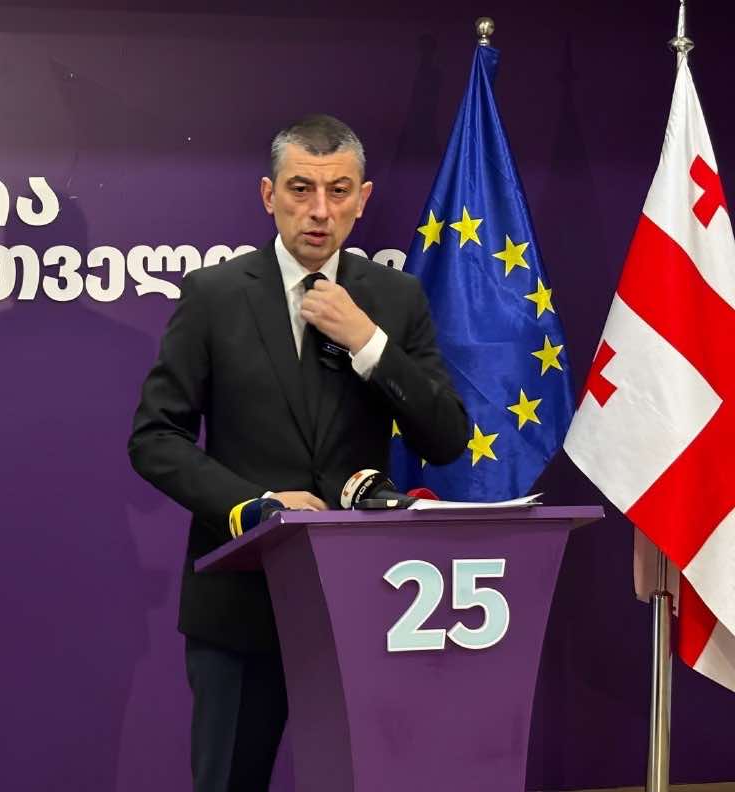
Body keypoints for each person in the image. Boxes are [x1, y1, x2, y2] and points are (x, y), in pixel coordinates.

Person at [127, 114, 469, 791]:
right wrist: (251, 507)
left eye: (338, 191)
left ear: (362, 199)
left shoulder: (394, 299)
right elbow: (155, 436)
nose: (319, 211)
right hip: (239, 603)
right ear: (268, 194)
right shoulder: (214, 295)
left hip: (362, 606)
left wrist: (370, 343)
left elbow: (446, 438)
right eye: (300, 189)